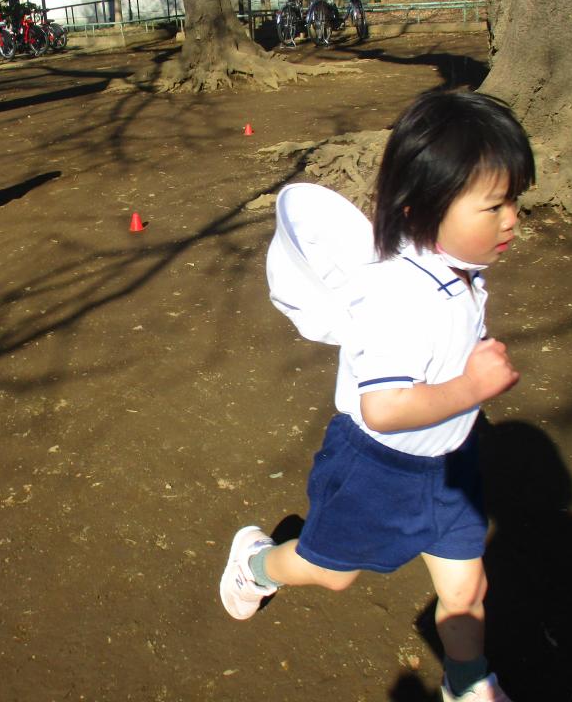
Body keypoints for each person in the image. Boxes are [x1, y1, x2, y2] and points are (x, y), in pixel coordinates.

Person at [219, 91, 535, 702]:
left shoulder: (461, 271)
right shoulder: (399, 297)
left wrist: (467, 376)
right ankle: (255, 562)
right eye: (493, 206)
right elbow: (382, 410)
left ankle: (468, 683)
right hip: (379, 470)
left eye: (513, 200)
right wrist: (472, 386)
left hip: (449, 464)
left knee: (466, 590)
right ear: (422, 210)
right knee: (330, 574)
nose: (512, 218)